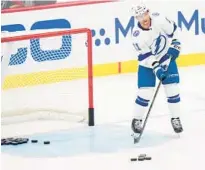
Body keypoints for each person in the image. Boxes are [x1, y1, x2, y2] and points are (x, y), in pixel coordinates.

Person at [131, 3, 183, 135]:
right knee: (145, 93)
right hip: (147, 64)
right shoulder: (137, 35)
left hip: (166, 57)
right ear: (136, 18)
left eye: (144, 14)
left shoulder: (160, 20)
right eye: (139, 17)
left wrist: (175, 46)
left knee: (172, 89)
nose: (143, 19)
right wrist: (157, 68)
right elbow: (146, 56)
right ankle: (137, 120)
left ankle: (175, 118)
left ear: (148, 12)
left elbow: (175, 31)